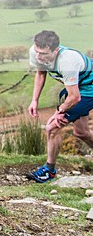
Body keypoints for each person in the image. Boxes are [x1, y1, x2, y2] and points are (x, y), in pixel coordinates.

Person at [26, 30, 93, 183]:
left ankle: (49, 170)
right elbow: (40, 73)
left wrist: (59, 112)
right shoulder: (35, 51)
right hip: (77, 88)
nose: (38, 57)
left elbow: (75, 97)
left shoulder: (68, 61)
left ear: (55, 51)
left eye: (43, 54)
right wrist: (34, 100)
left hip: (89, 89)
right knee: (81, 132)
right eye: (37, 52)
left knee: (52, 127)